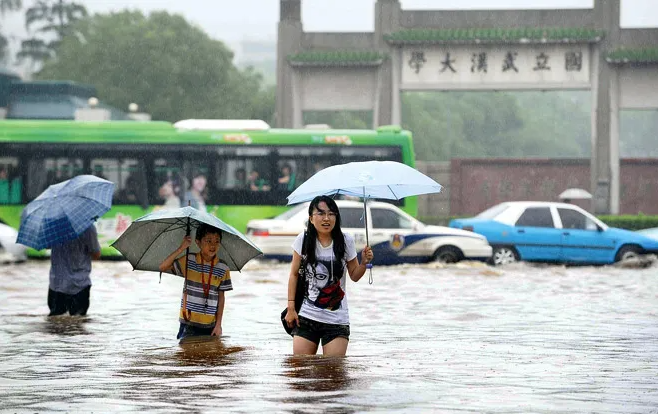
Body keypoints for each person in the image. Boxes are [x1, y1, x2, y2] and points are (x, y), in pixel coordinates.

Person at [284, 195, 374, 356]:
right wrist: (291, 308)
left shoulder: (346, 240)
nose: (327, 218)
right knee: (299, 371)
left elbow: (354, 275)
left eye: (331, 214)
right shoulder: (303, 240)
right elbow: (293, 275)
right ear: (311, 218)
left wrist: (363, 263)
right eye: (321, 213)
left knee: (333, 374)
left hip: (337, 320)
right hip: (307, 317)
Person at [159, 224, 232, 340]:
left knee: (210, 356)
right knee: (186, 356)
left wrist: (218, 325)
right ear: (198, 242)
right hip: (188, 323)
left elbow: (221, 298)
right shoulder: (189, 260)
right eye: (208, 241)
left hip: (210, 325)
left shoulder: (223, 267)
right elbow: (163, 267)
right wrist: (182, 248)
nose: (213, 245)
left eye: (217, 241)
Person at [48, 224, 102, 316]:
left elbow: (47, 246)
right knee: (78, 325)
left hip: (56, 284)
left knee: (55, 324)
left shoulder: (53, 226)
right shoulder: (88, 227)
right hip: (79, 285)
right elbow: (96, 254)